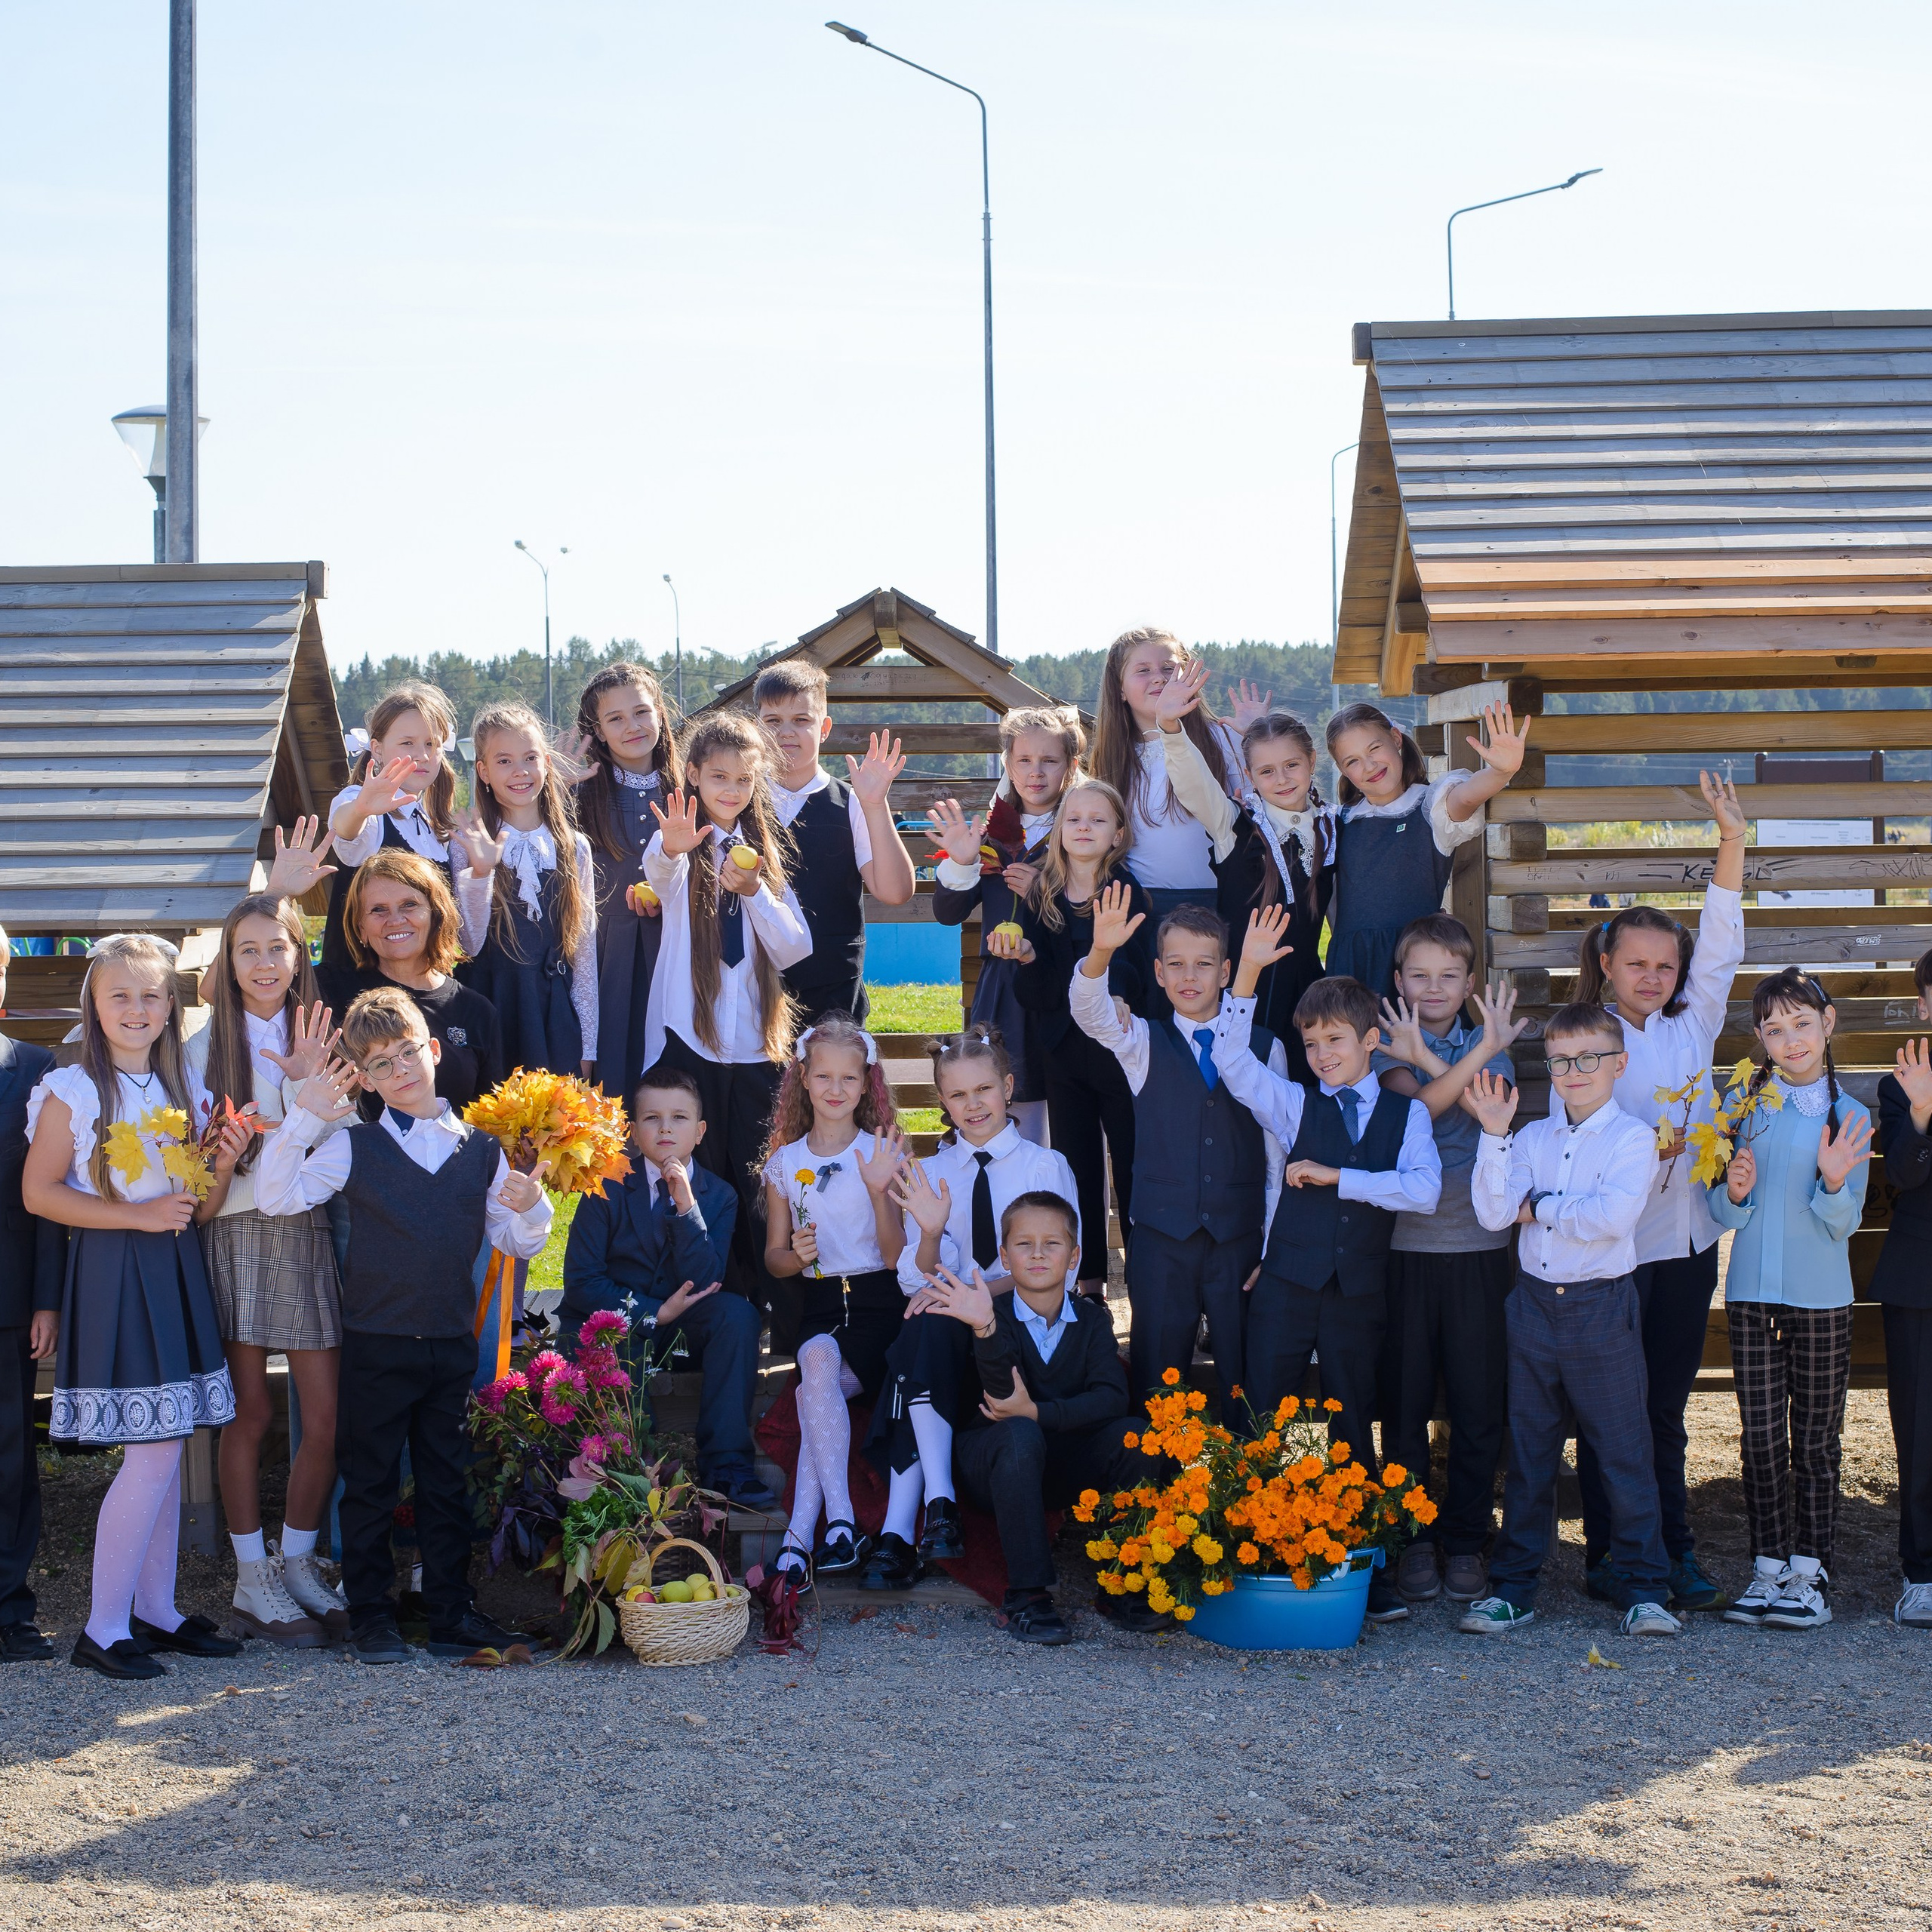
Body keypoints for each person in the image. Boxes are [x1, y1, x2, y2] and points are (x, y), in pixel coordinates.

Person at [255, 986, 552, 1663]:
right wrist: (303, 1119)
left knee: (448, 1482)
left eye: (408, 1052)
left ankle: (450, 1611)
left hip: (450, 1343)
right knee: (371, 1482)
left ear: (434, 1049)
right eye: (381, 1064)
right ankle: (370, 1616)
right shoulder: (352, 1147)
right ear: (362, 1077)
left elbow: (516, 1239)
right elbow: (277, 1197)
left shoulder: (482, 1150)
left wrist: (532, 1204)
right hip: (377, 1343)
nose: (401, 1070)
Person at [21, 934, 243, 1681]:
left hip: (174, 1266)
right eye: (121, 995)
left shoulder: (184, 1086)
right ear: (95, 1003)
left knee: (171, 1442)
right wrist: (137, 1219)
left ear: (171, 1006)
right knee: (150, 1451)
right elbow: (40, 1191)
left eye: (152, 995)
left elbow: (197, 1208)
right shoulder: (74, 1090)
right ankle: (103, 1626)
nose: (137, 1008)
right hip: (115, 1267)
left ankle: (157, 1610)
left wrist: (226, 1160)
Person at [1211, 910, 1440, 1625]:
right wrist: (1246, 976)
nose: (1320, 1054)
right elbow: (1231, 1061)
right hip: (1285, 1285)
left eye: (1334, 1040)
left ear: (1372, 1040)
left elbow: (1425, 1191)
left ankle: (1362, 1569)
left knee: (1351, 1425)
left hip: (1357, 1294)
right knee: (1269, 1416)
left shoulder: (1408, 1116)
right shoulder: (1293, 1104)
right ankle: (1254, 1553)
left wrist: (1342, 1177)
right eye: (1310, 1043)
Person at [1569, 769, 1750, 1615]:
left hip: (1683, 1247)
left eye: (1663, 964)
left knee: (1665, 1411)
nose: (1652, 975)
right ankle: (1609, 1554)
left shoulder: (1692, 1025)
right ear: (1606, 964)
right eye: (1636, 962)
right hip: (1612, 1253)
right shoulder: (1584, 1040)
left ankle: (1672, 1550)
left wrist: (1730, 843)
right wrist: (1654, 1143)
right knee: (1612, 1411)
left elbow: (1721, 947)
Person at [1463, 1005, 1679, 1638]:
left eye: (1589, 1059)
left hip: (1600, 1305)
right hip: (1531, 1304)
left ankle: (1644, 1587)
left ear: (1619, 1063)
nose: (1574, 1071)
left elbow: (1611, 1220)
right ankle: (1514, 1589)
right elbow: (1493, 1212)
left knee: (1622, 1453)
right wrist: (1495, 1135)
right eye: (1561, 1061)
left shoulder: (1634, 1139)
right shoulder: (1527, 1139)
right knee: (1530, 1455)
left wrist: (1543, 1204)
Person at [862, 1026, 1081, 1592]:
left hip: (1020, 1328)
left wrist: (974, 1297)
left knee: (926, 1329)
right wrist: (931, 1233)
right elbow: (916, 1274)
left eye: (983, 1089)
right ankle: (936, 1507)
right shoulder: (933, 1172)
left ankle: (902, 1528)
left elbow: (1063, 1271)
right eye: (957, 1095)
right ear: (942, 1102)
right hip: (950, 1333)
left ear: (1008, 1087)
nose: (973, 1104)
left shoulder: (1044, 1166)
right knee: (926, 1326)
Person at [185, 894, 348, 1645]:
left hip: (306, 1227)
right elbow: (204, 1174)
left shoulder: (321, 1030)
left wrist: (306, 1090)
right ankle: (251, 1577)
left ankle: (299, 1561)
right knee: (249, 1414)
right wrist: (279, 1118)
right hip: (238, 1230)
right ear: (227, 961)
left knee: (322, 1418)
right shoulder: (200, 1048)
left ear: (298, 954)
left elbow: (341, 1136)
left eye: (277, 948)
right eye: (247, 950)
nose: (264, 964)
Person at [1069, 886, 1286, 1414]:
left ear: (1227, 971)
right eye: (1177, 965)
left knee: (1245, 1377)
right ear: (1160, 974)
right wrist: (1100, 952)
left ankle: (1247, 1488)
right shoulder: (1142, 1040)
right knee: (1156, 1381)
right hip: (1162, 1242)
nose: (1190, 977)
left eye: (1204, 964)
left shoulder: (1266, 1047)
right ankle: (1156, 1492)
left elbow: (1277, 1157)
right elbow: (1090, 1013)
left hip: (1240, 1240)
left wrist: (1271, 1243)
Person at [915, 1195, 1161, 1646]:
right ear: (1005, 1257)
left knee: (1136, 1436)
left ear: (1075, 1256)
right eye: (1024, 1244)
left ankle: (1125, 1581)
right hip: (994, 1461)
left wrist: (1039, 1412)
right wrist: (985, 1329)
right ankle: (1027, 1596)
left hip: (1063, 1461)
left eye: (1052, 1243)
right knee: (1019, 1434)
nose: (1039, 1253)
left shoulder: (1090, 1321)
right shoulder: (989, 1315)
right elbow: (1001, 1400)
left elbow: (1111, 1398)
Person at [1371, 914, 1526, 1607]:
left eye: (1448, 977)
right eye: (1419, 976)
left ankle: (1466, 1538)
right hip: (1405, 1250)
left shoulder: (1491, 1048)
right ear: (1399, 981)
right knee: (1403, 1408)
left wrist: (1464, 1049)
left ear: (1470, 983)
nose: (1433, 989)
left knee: (1477, 1404)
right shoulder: (1382, 1049)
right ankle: (1411, 1539)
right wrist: (1445, 1057)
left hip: (1482, 1251)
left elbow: (1478, 1101)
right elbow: (1419, 1112)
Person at [1712, 970, 1872, 1633]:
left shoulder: (1850, 1116)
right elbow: (1722, 1210)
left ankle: (1811, 1571)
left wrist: (1834, 1181)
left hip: (1821, 1299)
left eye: (1802, 1024)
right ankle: (1767, 1566)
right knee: (1758, 1439)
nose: (1791, 1039)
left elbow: (1845, 1223)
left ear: (1827, 1024)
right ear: (1761, 1040)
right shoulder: (1745, 1107)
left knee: (1814, 1440)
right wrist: (1737, 1191)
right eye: (1775, 1030)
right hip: (1750, 1294)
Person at [641, 712, 813, 1327]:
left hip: (756, 1051)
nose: (732, 790)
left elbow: (795, 947)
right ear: (693, 774)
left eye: (744, 779)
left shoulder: (764, 854)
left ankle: (776, 1316)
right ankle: (712, 1314)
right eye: (718, 776)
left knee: (761, 1186)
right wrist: (673, 848)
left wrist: (754, 891)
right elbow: (657, 875)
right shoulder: (679, 841)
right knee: (702, 1186)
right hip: (692, 1045)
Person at [560, 1065, 776, 1512]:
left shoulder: (718, 1195)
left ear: (699, 1132)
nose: (665, 1128)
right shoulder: (604, 1185)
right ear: (633, 1130)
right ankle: (630, 1471)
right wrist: (654, 1312)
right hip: (619, 1323)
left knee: (738, 1316)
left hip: (686, 1324)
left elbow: (709, 1274)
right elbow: (582, 1281)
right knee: (611, 1345)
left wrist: (686, 1205)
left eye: (679, 1118)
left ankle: (727, 1465)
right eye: (652, 1118)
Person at [759, 1017, 911, 1582]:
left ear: (865, 1083)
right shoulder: (784, 1163)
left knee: (812, 1386)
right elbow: (775, 1257)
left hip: (879, 1306)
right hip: (820, 1306)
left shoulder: (882, 1152)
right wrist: (796, 1257)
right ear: (802, 1077)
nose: (835, 1088)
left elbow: (897, 1255)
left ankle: (805, 1535)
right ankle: (838, 1528)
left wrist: (877, 1192)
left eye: (849, 1078)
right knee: (816, 1362)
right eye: (823, 1075)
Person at [993, 778, 1152, 1299]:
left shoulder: (1128, 891)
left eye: (1098, 820)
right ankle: (1088, 1284)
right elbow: (1035, 992)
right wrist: (1028, 958)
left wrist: (1122, 993)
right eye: (1075, 819)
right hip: (1064, 1051)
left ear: (1118, 834)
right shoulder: (1042, 896)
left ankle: (1147, 1278)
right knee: (1076, 1163)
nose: (1084, 827)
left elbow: (1134, 965)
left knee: (1133, 1163)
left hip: (1120, 1054)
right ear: (1060, 831)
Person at [1156, 687, 1335, 1081]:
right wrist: (1171, 728)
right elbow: (1195, 783)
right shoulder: (1234, 824)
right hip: (1243, 991)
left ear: (1312, 762)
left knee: (1305, 1093)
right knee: (1245, 1091)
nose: (1283, 779)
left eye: (1292, 765)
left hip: (1307, 989)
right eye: (1267, 771)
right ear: (1250, 775)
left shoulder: (1331, 828)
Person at [928, 706, 1087, 1145]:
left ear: (1071, 766)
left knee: (1064, 1111)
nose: (1036, 773)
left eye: (1049, 761)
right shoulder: (994, 837)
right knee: (1003, 1102)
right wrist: (962, 860)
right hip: (1003, 992)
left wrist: (1046, 891)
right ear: (1008, 766)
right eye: (1024, 761)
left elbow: (1096, 914)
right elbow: (947, 913)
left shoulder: (1082, 829)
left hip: (1063, 987)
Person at [1322, 699, 1527, 1000]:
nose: (1368, 766)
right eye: (1352, 761)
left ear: (1395, 739)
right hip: (1352, 969)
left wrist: (1500, 772)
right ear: (1342, 770)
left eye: (1374, 749)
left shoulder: (1430, 807)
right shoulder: (1337, 822)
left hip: (1418, 970)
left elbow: (1466, 798)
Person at [753, 660, 915, 1025]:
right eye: (773, 721)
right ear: (757, 728)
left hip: (834, 996)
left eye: (801, 720)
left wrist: (875, 804)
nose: (786, 733)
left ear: (824, 728)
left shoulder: (853, 802)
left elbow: (895, 891)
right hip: (754, 993)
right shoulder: (740, 801)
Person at [454, 700, 598, 1079]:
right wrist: (482, 871)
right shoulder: (466, 844)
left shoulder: (573, 847)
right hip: (491, 1013)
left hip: (554, 1019)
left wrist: (588, 1044)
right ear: (483, 771)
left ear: (546, 764)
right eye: (504, 761)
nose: (520, 771)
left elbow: (583, 955)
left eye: (529, 757)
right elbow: (467, 943)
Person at [315, 847, 504, 1114]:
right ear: (361, 930)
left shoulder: (477, 1011)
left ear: (436, 914)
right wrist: (279, 891)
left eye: (409, 905)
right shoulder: (328, 989)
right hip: (354, 1153)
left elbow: (490, 1118)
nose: (395, 920)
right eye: (378, 910)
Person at [570, 663, 681, 1109]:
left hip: (678, 949)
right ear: (596, 730)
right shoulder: (579, 794)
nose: (632, 726)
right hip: (606, 958)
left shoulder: (691, 784)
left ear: (660, 714)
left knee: (675, 1074)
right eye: (615, 718)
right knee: (615, 1078)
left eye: (641, 712)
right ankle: (619, 1177)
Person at [1088, 627, 1247, 925]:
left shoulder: (1224, 739)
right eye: (1143, 670)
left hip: (1221, 901)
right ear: (1120, 689)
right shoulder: (1111, 757)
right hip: (1143, 907)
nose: (1159, 677)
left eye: (1169, 667)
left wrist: (1256, 736)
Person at [0, 932, 63, 1663]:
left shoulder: (36, 1071)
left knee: (11, 1458)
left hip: (10, 1296)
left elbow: (51, 1199)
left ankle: (11, 1607)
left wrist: (48, 1299)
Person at [321, 681, 460, 971]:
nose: (422, 754)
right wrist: (361, 808)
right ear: (378, 749)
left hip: (422, 985)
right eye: (408, 743)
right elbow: (345, 831)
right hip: (361, 988)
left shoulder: (432, 823)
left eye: (431, 744)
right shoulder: (359, 802)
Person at [1874, 952, 1932, 1631]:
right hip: (1921, 1279)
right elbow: (1905, 1178)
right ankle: (1922, 1573)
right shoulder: (1903, 1084)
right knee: (1920, 1432)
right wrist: (1920, 1109)